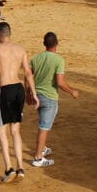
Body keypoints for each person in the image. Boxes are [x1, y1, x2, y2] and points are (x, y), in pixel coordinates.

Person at [0, 22, 40, 184]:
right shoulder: (20, 49)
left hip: (6, 90)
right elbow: (28, 72)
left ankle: (9, 168)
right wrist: (34, 94)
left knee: (1, 130)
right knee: (15, 130)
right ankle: (20, 168)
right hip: (19, 89)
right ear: (10, 34)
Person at [29, 32, 80, 167]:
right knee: (44, 127)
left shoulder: (36, 59)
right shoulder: (59, 60)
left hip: (37, 97)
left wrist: (29, 94)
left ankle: (43, 148)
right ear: (56, 44)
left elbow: (27, 77)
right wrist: (72, 91)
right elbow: (60, 83)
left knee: (42, 123)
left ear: (44, 44)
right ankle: (38, 158)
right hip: (50, 98)